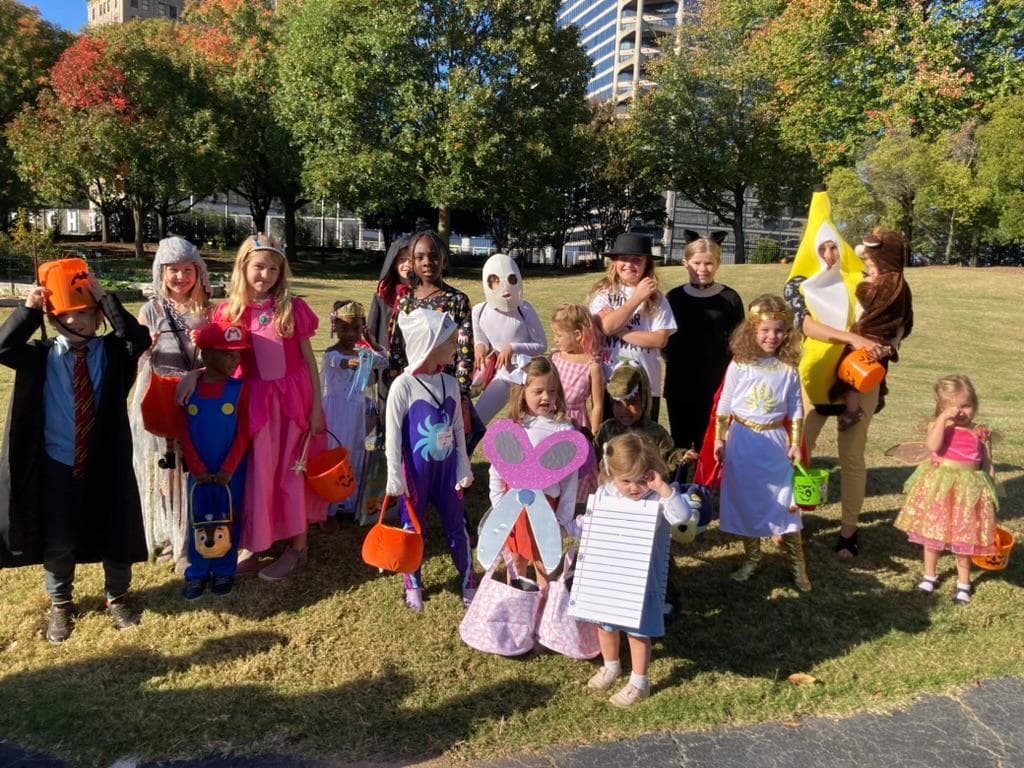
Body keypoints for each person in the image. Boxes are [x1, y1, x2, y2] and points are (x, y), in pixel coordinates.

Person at [0, 270, 150, 643]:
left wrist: (106, 299)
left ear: (97, 318)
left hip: (105, 460)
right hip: (57, 463)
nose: (72, 320)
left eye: (82, 312)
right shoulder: (41, 356)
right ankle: (61, 603)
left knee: (116, 532)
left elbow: (137, 338)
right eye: (63, 314)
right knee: (60, 537)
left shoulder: (113, 354)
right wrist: (29, 310)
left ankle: (117, 596)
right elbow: (2, 347)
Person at [210, 233, 326, 581]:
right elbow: (218, 363)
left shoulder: (292, 309)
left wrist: (317, 407)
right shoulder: (229, 312)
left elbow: (308, 361)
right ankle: (256, 541)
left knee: (293, 472)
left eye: (274, 269)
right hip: (255, 404)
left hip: (293, 404)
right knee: (259, 473)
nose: (266, 275)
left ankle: (298, 546)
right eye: (259, 267)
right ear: (243, 267)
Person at [783, 187, 876, 560]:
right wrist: (850, 336)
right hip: (812, 381)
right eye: (821, 248)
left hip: (858, 382)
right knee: (798, 453)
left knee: (852, 458)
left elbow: (882, 324)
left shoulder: (860, 283)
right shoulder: (797, 285)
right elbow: (805, 325)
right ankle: (792, 524)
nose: (829, 254)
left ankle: (849, 532)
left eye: (834, 246)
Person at [584, 433, 693, 707]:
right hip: (610, 572)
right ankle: (611, 665)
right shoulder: (606, 492)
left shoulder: (657, 498)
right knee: (605, 621)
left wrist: (663, 488)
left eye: (641, 479)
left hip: (641, 579)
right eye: (625, 481)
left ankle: (639, 682)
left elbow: (682, 516)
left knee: (637, 629)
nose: (633, 488)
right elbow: (594, 521)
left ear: (652, 473)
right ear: (612, 476)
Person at [713, 295, 809, 592]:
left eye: (779, 330)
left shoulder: (789, 367)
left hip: (774, 444)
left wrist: (795, 442)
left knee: (785, 504)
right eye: (765, 330)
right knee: (746, 501)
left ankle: (798, 566)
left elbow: (795, 407)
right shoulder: (741, 364)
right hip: (742, 441)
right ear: (752, 330)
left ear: (787, 332)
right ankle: (753, 557)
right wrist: (720, 437)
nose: (772, 337)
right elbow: (725, 403)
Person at [385, 308, 475, 613]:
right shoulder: (403, 386)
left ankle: (468, 578)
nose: (456, 348)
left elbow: (459, 429)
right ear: (430, 344)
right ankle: (413, 583)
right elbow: (393, 435)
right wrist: (394, 474)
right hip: (416, 476)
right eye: (451, 343)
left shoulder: (450, 383)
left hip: (448, 473)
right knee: (413, 527)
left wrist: (463, 465)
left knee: (456, 524)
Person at [131, 236, 211, 573]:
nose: (180, 276)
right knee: (168, 471)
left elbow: (223, 361)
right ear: (161, 273)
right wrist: (143, 348)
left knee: (193, 467)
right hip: (161, 398)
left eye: (186, 269)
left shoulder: (208, 309)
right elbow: (135, 359)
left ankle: (189, 540)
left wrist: (204, 350)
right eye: (172, 270)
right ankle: (172, 533)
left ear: (198, 271)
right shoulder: (150, 310)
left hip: (198, 399)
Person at [894, 375, 1000, 605]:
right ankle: (929, 576)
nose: (961, 411)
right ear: (942, 406)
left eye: (966, 405)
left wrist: (990, 491)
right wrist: (943, 418)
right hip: (940, 489)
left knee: (964, 537)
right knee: (932, 534)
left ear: (975, 405)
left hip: (968, 490)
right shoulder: (938, 426)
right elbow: (932, 446)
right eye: (954, 406)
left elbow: (987, 463)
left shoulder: (980, 433)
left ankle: (963, 583)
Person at [488, 357, 579, 588]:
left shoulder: (563, 430)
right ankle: (516, 610)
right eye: (538, 391)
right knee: (516, 561)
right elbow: (497, 470)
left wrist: (563, 519)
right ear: (523, 391)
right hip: (514, 507)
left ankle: (543, 614)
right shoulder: (515, 427)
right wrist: (500, 506)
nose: (546, 397)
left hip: (547, 508)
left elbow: (570, 482)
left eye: (552, 391)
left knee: (544, 565)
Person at [387, 230, 481, 450]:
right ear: (411, 262)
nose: (427, 262)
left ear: (444, 259)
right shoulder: (404, 300)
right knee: (417, 439)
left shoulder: (457, 300)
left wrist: (461, 389)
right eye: (420, 257)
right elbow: (396, 345)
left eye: (434, 256)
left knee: (445, 440)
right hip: (413, 385)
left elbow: (464, 348)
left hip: (445, 385)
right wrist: (395, 382)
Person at [177, 321, 251, 600]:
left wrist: (229, 468)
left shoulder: (240, 389)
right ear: (206, 355)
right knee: (199, 520)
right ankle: (196, 572)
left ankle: (224, 570)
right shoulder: (189, 390)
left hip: (231, 472)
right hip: (199, 471)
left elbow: (244, 432)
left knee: (228, 519)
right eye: (227, 354)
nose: (234, 360)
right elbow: (183, 430)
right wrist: (196, 467)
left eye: (237, 354)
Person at [663, 231, 744, 465]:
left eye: (708, 263)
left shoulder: (730, 298)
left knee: (709, 439)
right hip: (680, 382)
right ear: (685, 263)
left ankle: (706, 487)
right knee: (680, 441)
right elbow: (665, 339)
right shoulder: (674, 298)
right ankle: (680, 484)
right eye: (697, 263)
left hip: (715, 382)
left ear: (718, 264)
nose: (702, 268)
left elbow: (739, 342)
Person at [829, 229, 914, 431]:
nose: (868, 265)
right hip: (884, 341)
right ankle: (869, 400)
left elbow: (868, 298)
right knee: (869, 373)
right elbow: (907, 318)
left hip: (870, 338)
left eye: (872, 262)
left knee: (851, 375)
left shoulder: (886, 283)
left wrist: (864, 284)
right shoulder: (901, 283)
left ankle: (852, 411)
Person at [589, 232, 676, 423]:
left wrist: (619, 330)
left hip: (645, 385)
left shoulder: (657, 299)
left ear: (647, 264)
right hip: (609, 381)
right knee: (609, 443)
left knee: (642, 444)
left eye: (636, 260)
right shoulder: (604, 292)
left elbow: (659, 340)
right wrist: (637, 298)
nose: (629, 264)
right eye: (623, 259)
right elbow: (606, 325)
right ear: (614, 262)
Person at [322, 300, 387, 520]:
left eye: (356, 328)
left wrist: (370, 341)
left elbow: (385, 361)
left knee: (356, 452)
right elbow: (342, 363)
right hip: (337, 414)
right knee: (338, 452)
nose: (350, 333)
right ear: (334, 327)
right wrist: (355, 361)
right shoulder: (332, 355)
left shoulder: (363, 353)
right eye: (344, 328)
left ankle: (350, 500)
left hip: (357, 414)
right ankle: (332, 502)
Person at [471, 253, 547, 424]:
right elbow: (480, 339)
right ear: (488, 283)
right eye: (495, 280)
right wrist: (480, 349)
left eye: (511, 279)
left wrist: (512, 347)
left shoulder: (524, 309)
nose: (503, 287)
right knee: (477, 421)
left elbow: (541, 345)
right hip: (502, 375)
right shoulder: (479, 311)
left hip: (526, 376)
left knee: (530, 425)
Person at [550, 303, 603, 502]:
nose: (555, 339)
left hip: (578, 422)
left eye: (559, 334)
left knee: (576, 468)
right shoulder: (555, 358)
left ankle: (574, 504)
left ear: (578, 335)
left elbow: (597, 405)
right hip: (554, 419)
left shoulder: (593, 365)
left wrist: (593, 436)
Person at [594, 363, 686, 472]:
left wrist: (681, 457)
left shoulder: (656, 433)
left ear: (644, 400)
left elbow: (669, 457)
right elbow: (594, 454)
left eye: (632, 403)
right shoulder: (607, 429)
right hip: (612, 486)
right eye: (618, 403)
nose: (625, 410)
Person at [368, 235, 412, 399]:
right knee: (387, 408)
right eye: (402, 259)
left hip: (413, 364)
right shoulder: (383, 295)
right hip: (387, 365)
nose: (407, 265)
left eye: (411, 260)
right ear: (394, 263)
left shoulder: (425, 296)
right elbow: (371, 330)